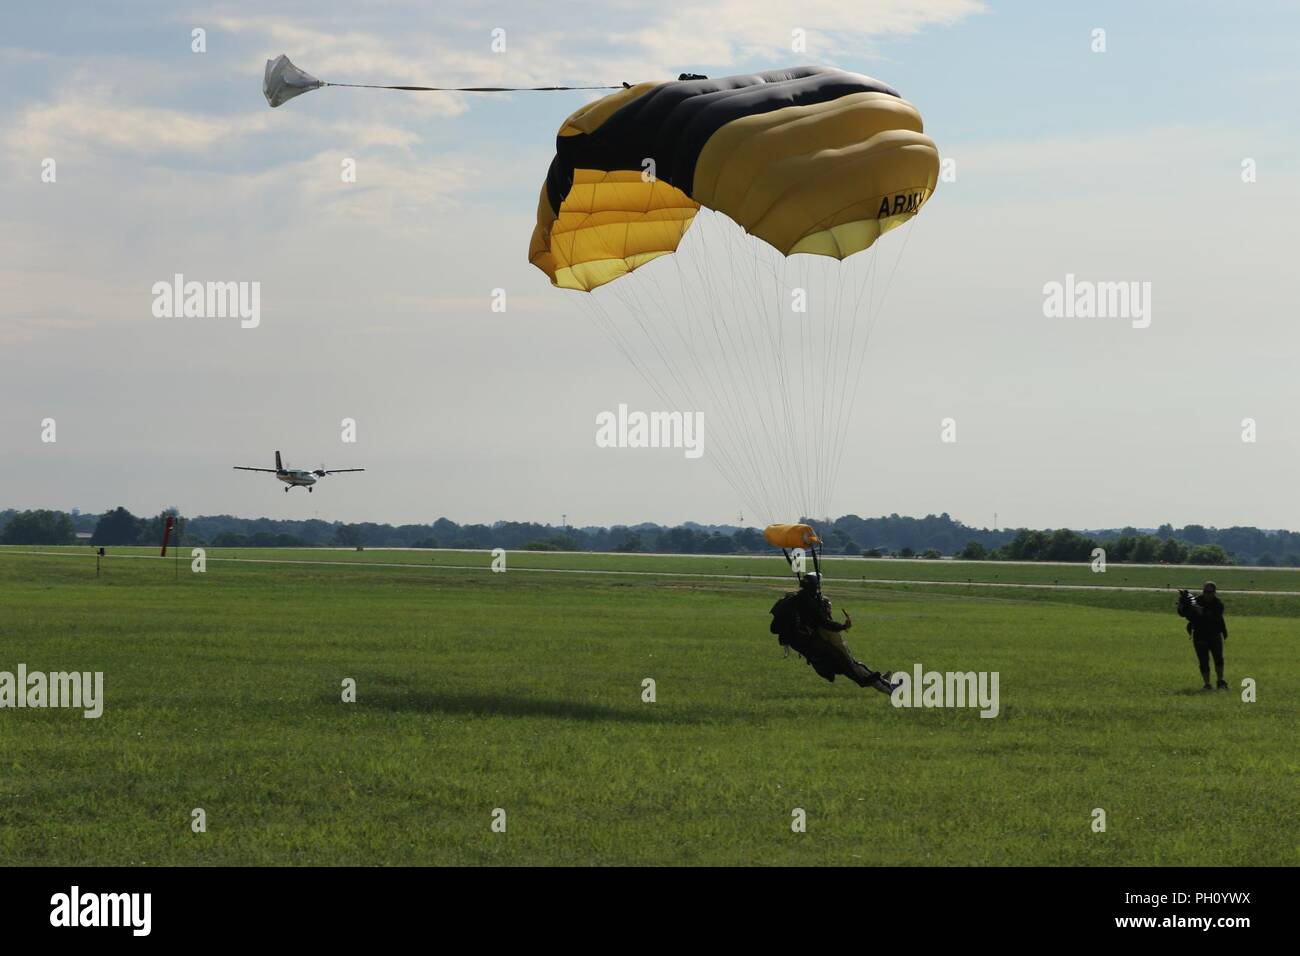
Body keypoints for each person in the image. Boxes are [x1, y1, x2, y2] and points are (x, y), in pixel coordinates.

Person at [771, 573, 896, 694]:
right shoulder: (807, 601)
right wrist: (843, 626)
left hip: (801, 643)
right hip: (809, 643)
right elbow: (824, 622)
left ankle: (881, 682)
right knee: (849, 666)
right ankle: (886, 687)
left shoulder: (796, 598)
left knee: (847, 667)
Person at [1179, 581, 1229, 691]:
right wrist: (1183, 605)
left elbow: (1214, 617)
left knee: (1219, 659)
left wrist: (1201, 611)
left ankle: (1220, 681)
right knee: (1203, 661)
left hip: (1214, 635)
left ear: (1214, 592)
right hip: (1200, 636)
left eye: (1209, 592)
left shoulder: (1218, 604)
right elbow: (1184, 614)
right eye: (1205, 591)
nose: (1207, 594)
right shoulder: (1197, 601)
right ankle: (1207, 684)